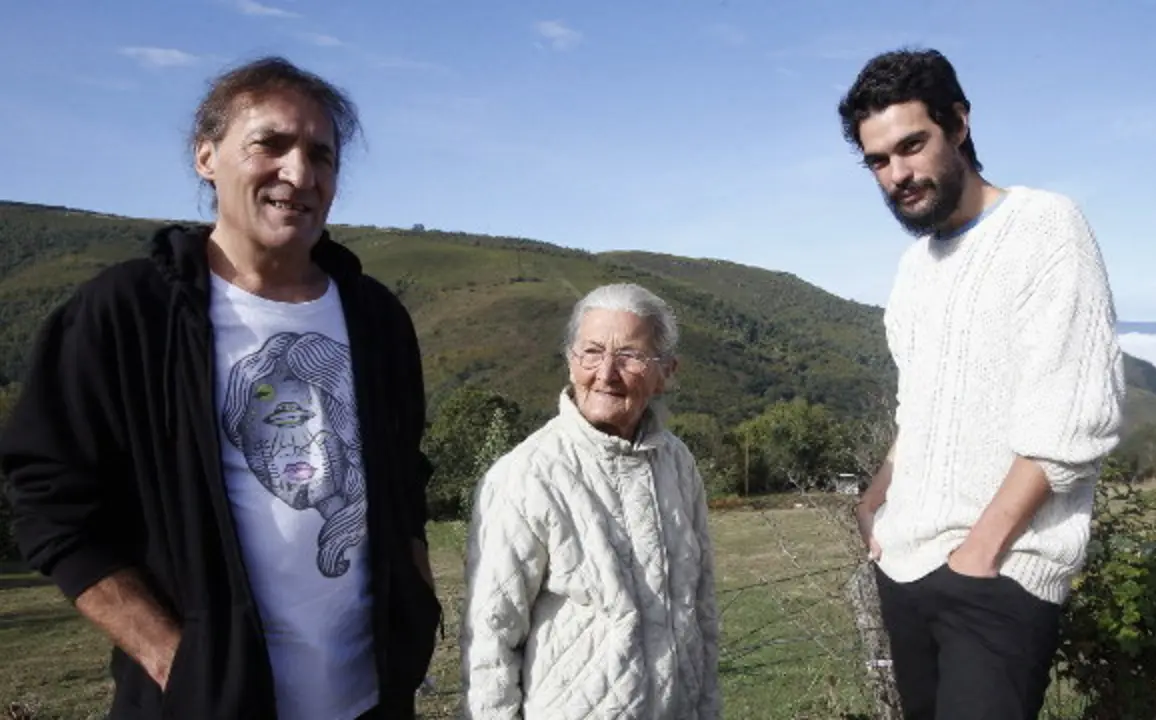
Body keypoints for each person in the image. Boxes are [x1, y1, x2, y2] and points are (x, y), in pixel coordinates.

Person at [0, 56, 441, 719]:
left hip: (371, 701)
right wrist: (173, 660)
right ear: (206, 156)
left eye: (321, 155)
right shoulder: (129, 313)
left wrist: (416, 600)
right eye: (271, 144)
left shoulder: (375, 317)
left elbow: (404, 478)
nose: (299, 173)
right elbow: (48, 497)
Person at [836, 48, 1125, 719]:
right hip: (904, 565)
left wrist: (982, 549)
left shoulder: (1046, 226)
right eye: (879, 160)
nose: (898, 174)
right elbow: (921, 407)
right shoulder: (914, 269)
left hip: (998, 572)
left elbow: (1074, 416)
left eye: (913, 144)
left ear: (959, 124)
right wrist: (875, 501)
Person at [459, 283, 721, 719]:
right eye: (592, 352)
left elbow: (703, 606)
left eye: (630, 356)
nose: (606, 373)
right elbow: (490, 637)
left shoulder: (677, 461)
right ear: (570, 361)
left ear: (667, 373)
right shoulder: (526, 474)